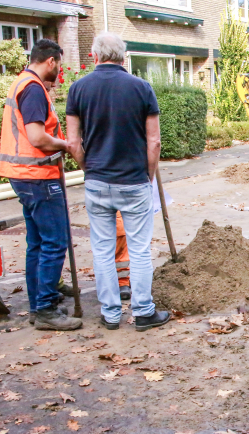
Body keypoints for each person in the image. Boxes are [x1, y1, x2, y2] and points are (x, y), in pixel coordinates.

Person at [66, 32, 169, 331]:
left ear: (95, 57)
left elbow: (73, 142)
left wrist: (89, 169)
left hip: (97, 181)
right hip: (134, 180)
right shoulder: (141, 88)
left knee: (101, 250)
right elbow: (154, 142)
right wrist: (147, 176)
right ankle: (143, 312)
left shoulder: (78, 89)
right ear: (123, 57)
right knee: (138, 250)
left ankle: (111, 314)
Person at [0, 39, 82, 331]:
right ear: (50, 61)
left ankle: (38, 305)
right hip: (37, 177)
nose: (59, 72)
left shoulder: (21, 83)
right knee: (54, 242)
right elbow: (37, 137)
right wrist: (68, 145)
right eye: (58, 66)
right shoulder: (33, 89)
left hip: (24, 176)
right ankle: (45, 309)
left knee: (36, 243)